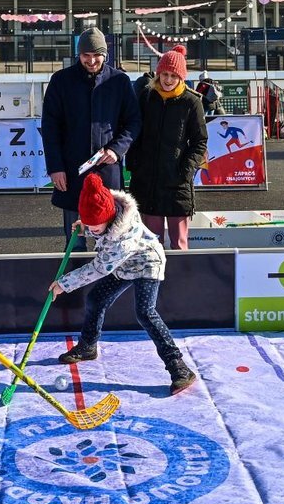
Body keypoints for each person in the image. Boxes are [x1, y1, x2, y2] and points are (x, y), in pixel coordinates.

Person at [49, 172, 196, 395]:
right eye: (91, 226)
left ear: (109, 219)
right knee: (96, 299)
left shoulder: (123, 237)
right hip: (122, 265)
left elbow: (99, 268)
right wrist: (87, 226)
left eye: (95, 228)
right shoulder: (108, 209)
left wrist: (64, 284)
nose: (92, 231)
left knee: (145, 312)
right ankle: (88, 346)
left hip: (147, 263)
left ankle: (179, 368)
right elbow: (99, 227)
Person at [40, 27, 140, 240]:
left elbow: (133, 122)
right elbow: (50, 128)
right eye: (86, 55)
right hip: (71, 170)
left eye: (97, 55)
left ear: (105, 54)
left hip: (107, 170)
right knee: (74, 239)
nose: (92, 60)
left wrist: (116, 149)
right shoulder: (61, 81)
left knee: (112, 236)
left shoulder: (119, 81)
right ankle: (75, 270)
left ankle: (111, 272)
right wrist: (55, 168)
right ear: (79, 54)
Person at [128, 46, 208, 250]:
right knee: (150, 245)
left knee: (179, 244)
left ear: (181, 77)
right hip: (148, 182)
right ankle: (153, 282)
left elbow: (200, 141)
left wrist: (186, 171)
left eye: (174, 75)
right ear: (158, 73)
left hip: (177, 183)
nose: (168, 80)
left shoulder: (192, 102)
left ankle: (180, 282)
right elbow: (134, 132)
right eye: (165, 74)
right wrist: (136, 165)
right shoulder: (146, 97)